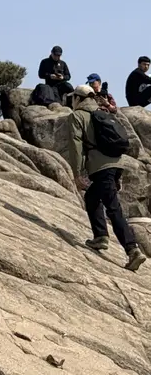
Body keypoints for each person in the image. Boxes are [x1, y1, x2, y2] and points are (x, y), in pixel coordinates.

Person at [65, 84, 146, 271]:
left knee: (113, 207)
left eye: (73, 98)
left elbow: (76, 145)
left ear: (77, 98)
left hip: (101, 167)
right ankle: (100, 236)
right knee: (92, 197)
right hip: (117, 165)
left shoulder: (77, 116)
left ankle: (132, 249)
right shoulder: (104, 113)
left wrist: (77, 174)